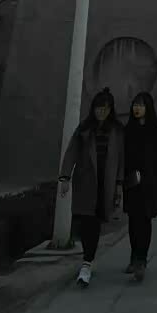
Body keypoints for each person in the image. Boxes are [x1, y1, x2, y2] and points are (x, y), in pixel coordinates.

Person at [59, 87, 124, 288]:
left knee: (95, 223)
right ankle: (88, 260)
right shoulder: (85, 129)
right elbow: (71, 152)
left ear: (110, 110)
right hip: (86, 182)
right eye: (98, 108)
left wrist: (119, 184)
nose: (101, 112)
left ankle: (87, 263)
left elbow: (122, 159)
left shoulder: (117, 131)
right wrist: (65, 177)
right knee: (85, 223)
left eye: (105, 108)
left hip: (106, 184)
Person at [123, 92, 157, 281]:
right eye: (135, 105)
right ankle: (134, 256)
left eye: (141, 105)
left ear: (148, 107)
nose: (137, 108)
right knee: (133, 221)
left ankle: (141, 260)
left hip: (151, 182)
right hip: (131, 182)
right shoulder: (128, 130)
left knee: (145, 219)